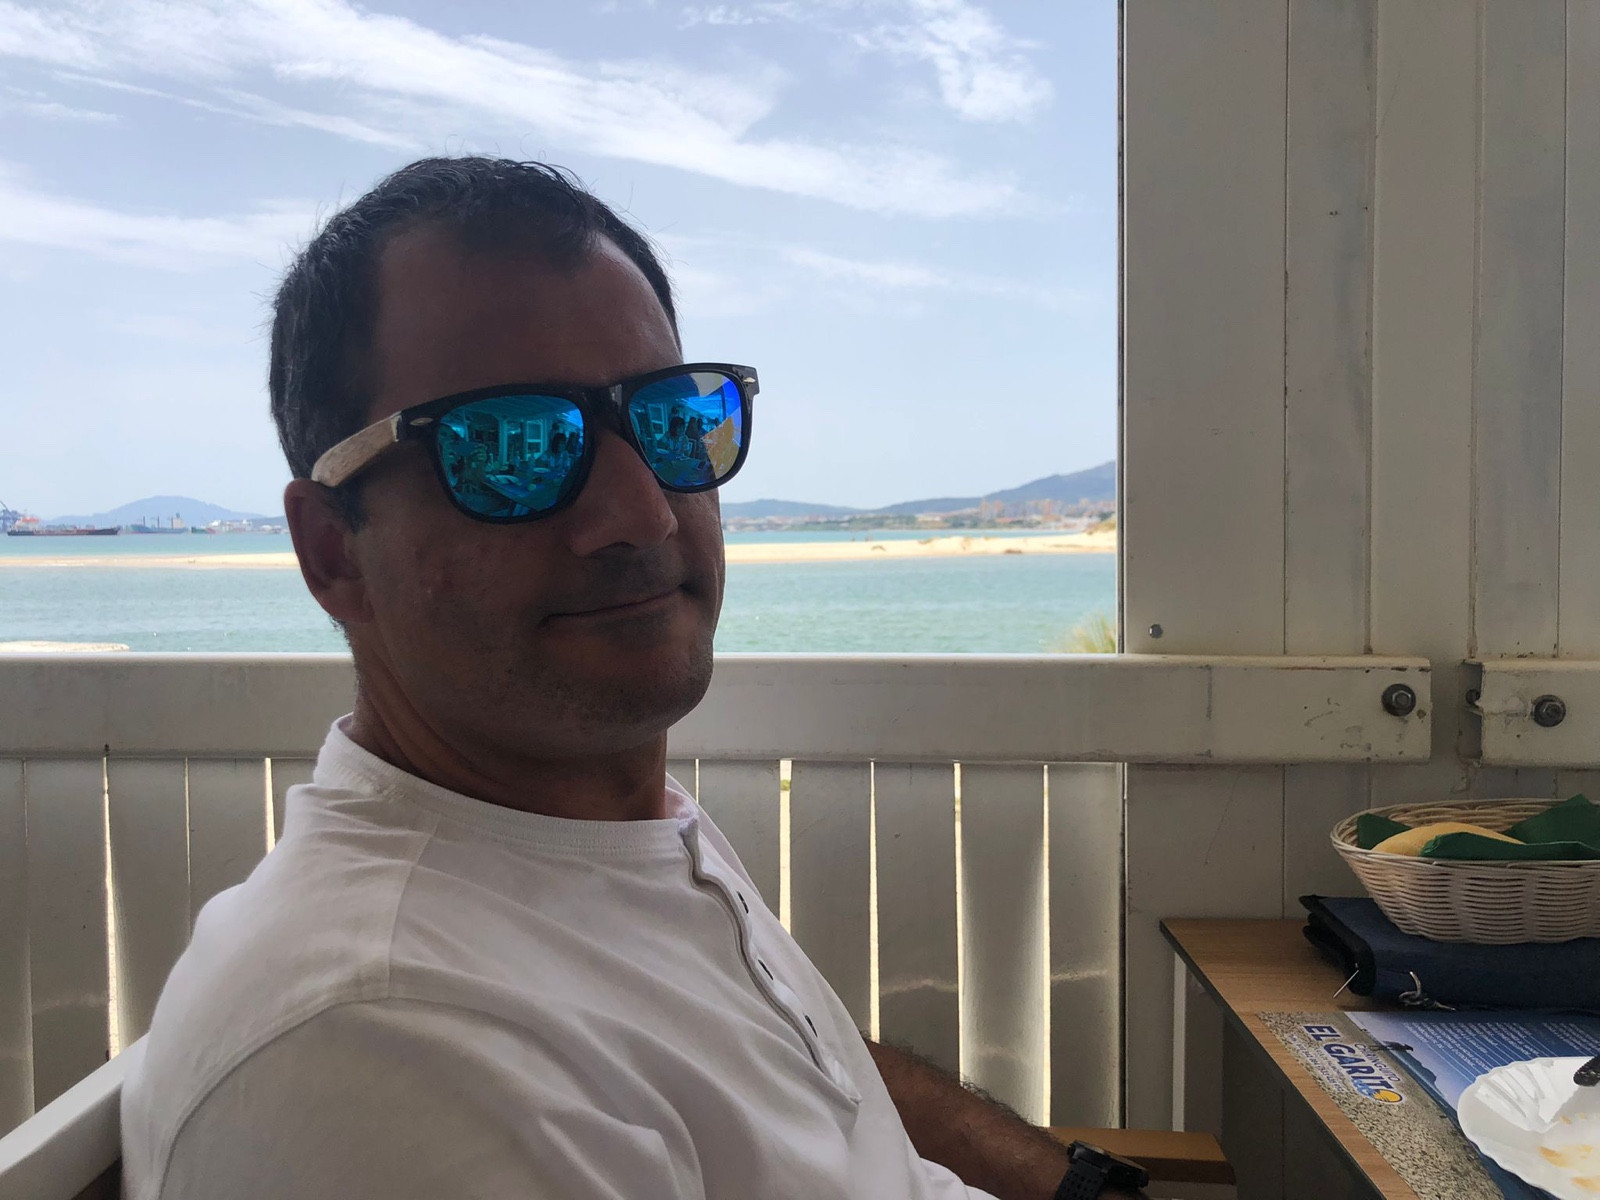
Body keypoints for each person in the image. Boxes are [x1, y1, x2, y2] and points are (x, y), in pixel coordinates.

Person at [119, 157, 1139, 1200]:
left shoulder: (593, 827)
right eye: (511, 448)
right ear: (334, 552)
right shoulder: (383, 1049)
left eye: (672, 418)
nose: (642, 512)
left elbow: (796, 1083)